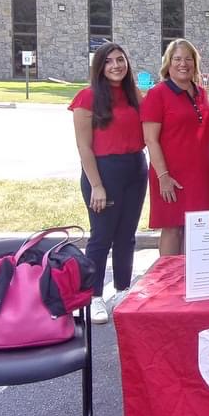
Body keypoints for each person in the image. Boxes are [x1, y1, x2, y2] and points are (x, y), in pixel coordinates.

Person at [68, 42, 147, 324]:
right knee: (102, 237)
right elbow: (84, 147)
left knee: (127, 235)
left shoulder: (133, 95)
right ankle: (94, 296)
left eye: (121, 60)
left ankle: (123, 290)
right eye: (109, 61)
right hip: (104, 171)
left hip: (135, 168)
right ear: (100, 67)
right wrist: (97, 185)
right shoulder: (87, 98)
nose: (116, 66)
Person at [141, 39, 209, 256]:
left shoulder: (201, 92)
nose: (183, 64)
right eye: (177, 59)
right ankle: (167, 282)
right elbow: (150, 140)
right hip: (170, 175)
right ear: (168, 63)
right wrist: (163, 176)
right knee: (172, 228)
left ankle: (188, 282)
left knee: (195, 228)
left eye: (188, 59)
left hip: (199, 175)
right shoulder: (157, 94)